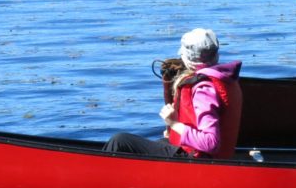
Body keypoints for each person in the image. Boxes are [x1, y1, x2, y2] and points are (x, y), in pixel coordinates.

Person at [103, 28, 242, 159]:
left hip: (198, 161)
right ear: (216, 55)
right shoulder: (224, 79)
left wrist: (174, 124)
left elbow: (211, 143)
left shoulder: (203, 90)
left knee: (120, 141)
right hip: (197, 153)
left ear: (188, 59)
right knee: (161, 141)